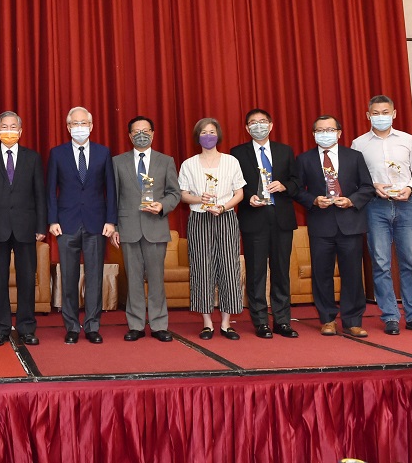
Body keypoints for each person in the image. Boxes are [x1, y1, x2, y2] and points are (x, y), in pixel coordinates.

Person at [351, 95, 412, 335]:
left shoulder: (406, 140)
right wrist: (372, 186)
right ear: (368, 115)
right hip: (375, 207)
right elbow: (354, 178)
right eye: (376, 113)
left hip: (406, 205)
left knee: (410, 262)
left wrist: (410, 187)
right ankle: (390, 317)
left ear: (394, 114)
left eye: (385, 112)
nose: (381, 117)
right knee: (381, 263)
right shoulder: (359, 143)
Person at [295, 115, 375, 337]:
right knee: (322, 274)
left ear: (339, 133)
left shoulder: (355, 157)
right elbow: (297, 190)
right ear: (313, 134)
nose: (325, 134)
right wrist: (313, 200)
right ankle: (327, 319)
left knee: (353, 275)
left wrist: (351, 200)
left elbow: (367, 187)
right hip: (321, 225)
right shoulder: (304, 159)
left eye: (330, 129)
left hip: (350, 225)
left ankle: (353, 321)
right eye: (320, 130)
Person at [0, 111, 47, 347]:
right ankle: (0, 329)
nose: (9, 130)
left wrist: (41, 225)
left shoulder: (32, 158)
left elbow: (40, 194)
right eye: (4, 127)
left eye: (13, 126)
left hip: (26, 227)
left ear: (20, 131)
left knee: (27, 279)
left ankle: (26, 328)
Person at [47, 106, 117, 344]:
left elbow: (110, 189)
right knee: (68, 278)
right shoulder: (57, 153)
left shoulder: (103, 152)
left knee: (95, 277)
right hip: (66, 224)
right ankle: (71, 326)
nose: (79, 127)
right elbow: (50, 190)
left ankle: (92, 325)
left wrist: (111, 220)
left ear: (91, 126)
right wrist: (52, 220)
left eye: (83, 123)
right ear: (68, 127)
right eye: (75, 123)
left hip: (97, 224)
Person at [230, 109, 302, 339]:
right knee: (256, 273)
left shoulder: (285, 150)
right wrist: (248, 197)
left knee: (281, 271)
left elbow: (297, 181)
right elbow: (235, 185)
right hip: (254, 218)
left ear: (271, 125)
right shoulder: (237, 153)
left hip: (281, 218)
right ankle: (260, 321)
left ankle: (282, 321)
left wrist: (284, 186)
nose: (258, 126)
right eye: (253, 123)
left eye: (262, 122)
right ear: (246, 128)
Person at [111, 116, 180, 343]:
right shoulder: (117, 162)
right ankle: (136, 324)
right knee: (133, 279)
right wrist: (114, 227)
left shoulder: (166, 161)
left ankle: (159, 324)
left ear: (153, 133)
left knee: (156, 279)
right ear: (130, 136)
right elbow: (113, 197)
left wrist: (162, 206)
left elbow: (174, 193)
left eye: (146, 130)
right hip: (128, 227)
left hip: (155, 227)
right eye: (136, 131)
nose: (141, 134)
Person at [179, 117, 246, 340]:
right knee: (202, 268)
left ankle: (226, 323)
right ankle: (207, 323)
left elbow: (239, 192)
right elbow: (183, 194)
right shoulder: (189, 164)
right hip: (199, 219)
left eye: (212, 132)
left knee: (229, 267)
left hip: (226, 217)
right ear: (197, 137)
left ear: (218, 135)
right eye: (203, 132)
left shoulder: (231, 161)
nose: (208, 136)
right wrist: (200, 199)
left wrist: (223, 206)